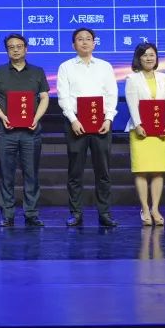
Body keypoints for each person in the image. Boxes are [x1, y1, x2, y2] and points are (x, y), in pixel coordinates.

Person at [56, 27, 119, 227]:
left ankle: (104, 213)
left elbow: (111, 94)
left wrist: (108, 119)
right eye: (80, 39)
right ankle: (76, 213)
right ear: (73, 44)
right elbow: (63, 96)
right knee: (75, 172)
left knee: (103, 171)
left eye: (88, 39)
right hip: (76, 124)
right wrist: (73, 119)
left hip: (101, 124)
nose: (84, 42)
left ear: (94, 43)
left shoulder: (105, 66)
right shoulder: (66, 67)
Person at [0, 33, 49, 227]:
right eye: (11, 47)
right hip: (7, 132)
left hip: (31, 132)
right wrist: (2, 116)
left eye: (19, 46)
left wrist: (36, 118)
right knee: (6, 175)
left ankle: (31, 213)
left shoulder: (37, 72)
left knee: (31, 174)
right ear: (7, 51)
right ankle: (8, 214)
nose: (15, 50)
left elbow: (44, 97)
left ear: (26, 49)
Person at [124, 42, 165, 227]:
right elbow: (132, 103)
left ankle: (155, 208)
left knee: (158, 170)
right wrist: (138, 124)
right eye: (145, 55)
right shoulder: (132, 78)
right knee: (142, 170)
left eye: (152, 55)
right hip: (140, 130)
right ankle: (144, 208)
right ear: (139, 58)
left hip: (160, 129)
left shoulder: (164, 78)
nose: (149, 58)